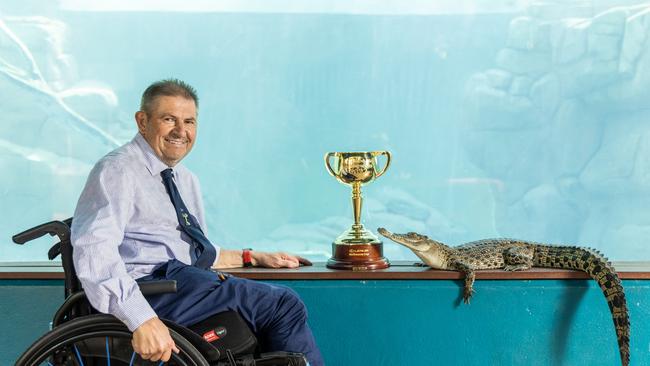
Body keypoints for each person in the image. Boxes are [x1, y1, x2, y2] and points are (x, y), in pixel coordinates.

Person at [70, 79, 324, 365]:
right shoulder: (118, 170)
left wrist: (250, 257)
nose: (181, 131)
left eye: (189, 121)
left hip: (181, 284)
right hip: (152, 290)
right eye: (169, 119)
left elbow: (191, 253)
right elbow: (94, 252)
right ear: (142, 121)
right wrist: (141, 319)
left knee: (263, 313)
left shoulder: (184, 179)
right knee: (282, 305)